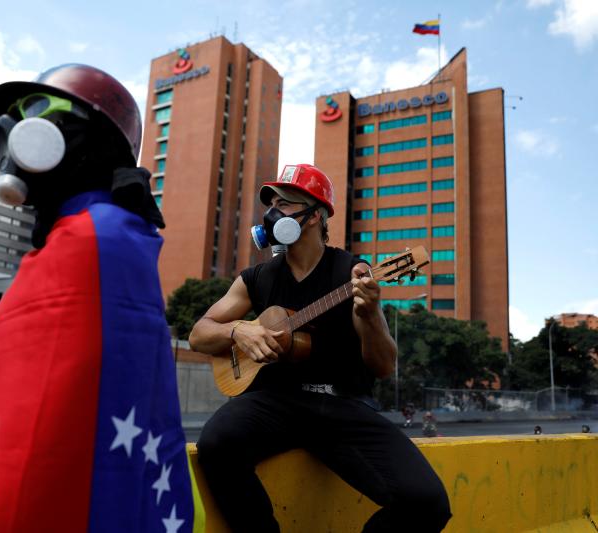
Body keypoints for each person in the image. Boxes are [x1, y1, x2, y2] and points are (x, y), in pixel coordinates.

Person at [0, 64, 201, 532]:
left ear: (92, 140)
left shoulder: (98, 238)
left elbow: (45, 425)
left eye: (39, 113)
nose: (15, 134)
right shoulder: (87, 235)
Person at [190, 164, 451, 532]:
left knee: (427, 503)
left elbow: (383, 366)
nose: (272, 214)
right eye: (272, 204)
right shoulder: (258, 276)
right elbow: (200, 333)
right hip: (272, 403)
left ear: (314, 216)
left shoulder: (352, 272)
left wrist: (372, 313)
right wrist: (238, 331)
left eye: (284, 204)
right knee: (215, 445)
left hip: (339, 405)